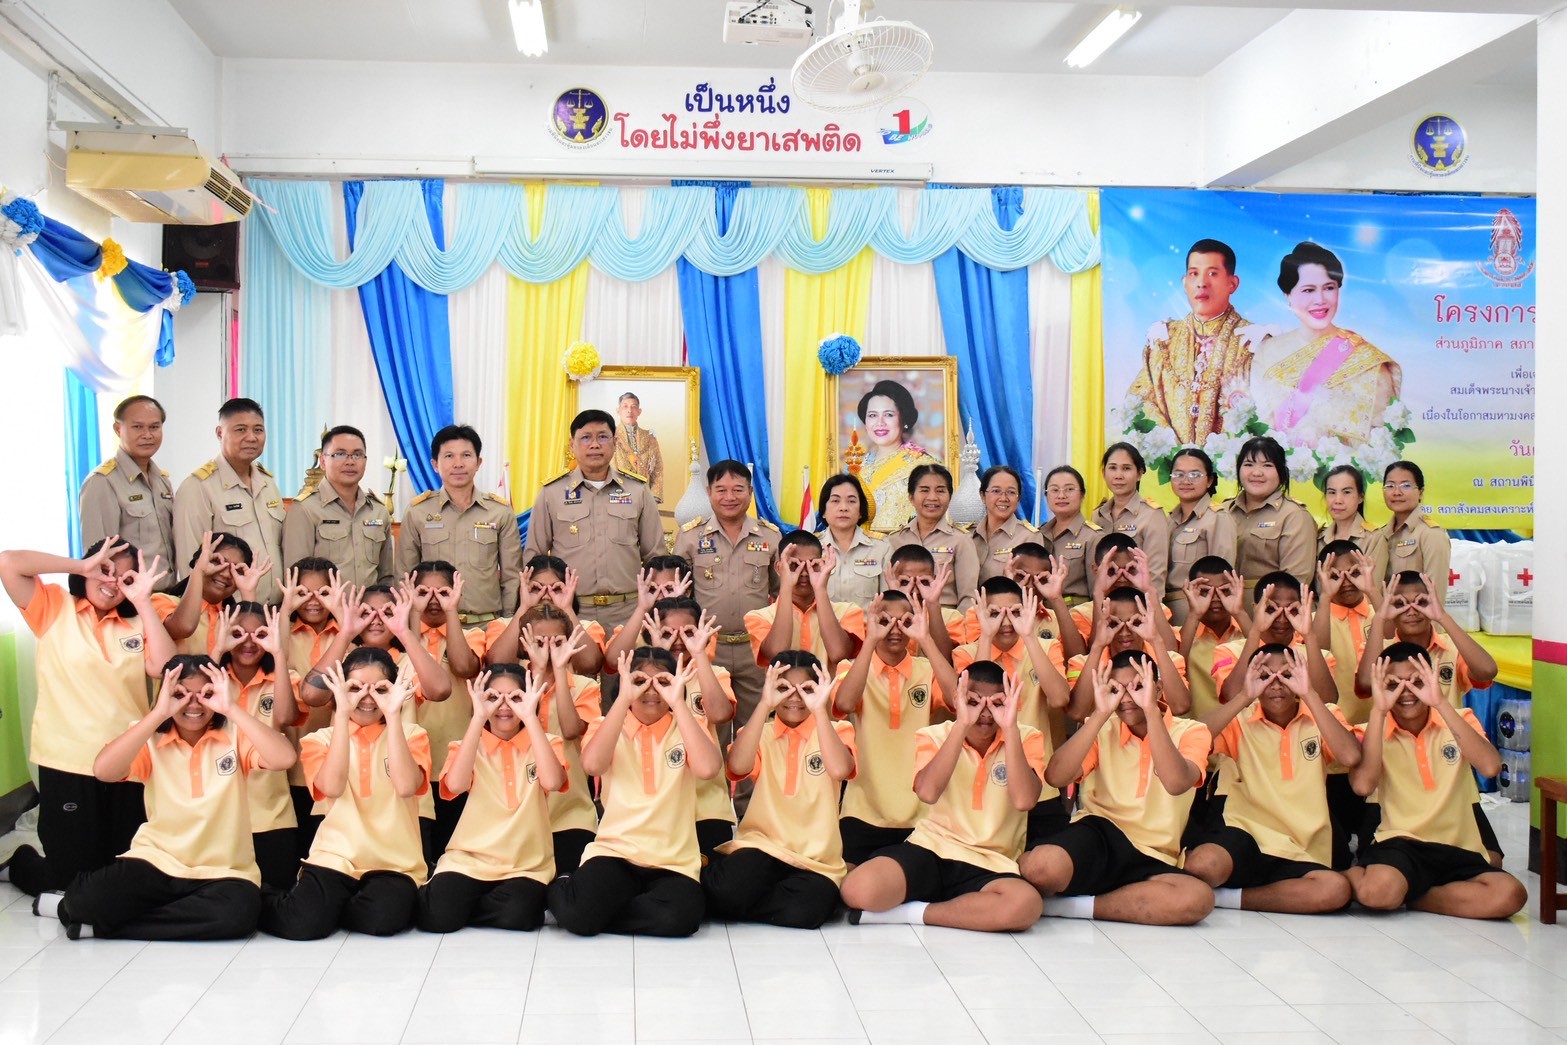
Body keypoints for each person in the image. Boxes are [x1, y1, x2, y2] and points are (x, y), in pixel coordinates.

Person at [39, 657, 297, 940]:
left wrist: (231, 708)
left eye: (205, 694)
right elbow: (104, 771)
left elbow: (284, 758)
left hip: (223, 870)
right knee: (84, 900)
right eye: (181, 694)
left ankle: (106, 927)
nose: (194, 704)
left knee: (239, 915)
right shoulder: (148, 736)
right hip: (158, 860)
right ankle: (106, 917)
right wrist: (159, 713)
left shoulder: (236, 733)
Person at [1, 538, 175, 896]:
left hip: (126, 761)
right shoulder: (53, 606)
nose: (113, 582)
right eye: (106, 570)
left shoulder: (139, 620)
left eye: (126, 578)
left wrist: (142, 601)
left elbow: (164, 667)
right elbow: (8, 562)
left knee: (118, 868)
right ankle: (21, 862)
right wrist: (81, 566)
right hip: (67, 761)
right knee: (69, 880)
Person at [840, 663, 1046, 932]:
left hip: (993, 860)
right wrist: (962, 724)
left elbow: (1024, 800)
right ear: (958, 699)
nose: (984, 712)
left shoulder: (1026, 737)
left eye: (997, 703)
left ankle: (916, 913)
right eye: (973, 702)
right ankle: (963, 909)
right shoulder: (934, 735)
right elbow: (928, 793)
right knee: (858, 889)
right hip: (933, 848)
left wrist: (1009, 729)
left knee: (1025, 906)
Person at [1020, 652, 1215, 925]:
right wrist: (1100, 714)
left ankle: (1075, 907)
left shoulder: (1193, 731)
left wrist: (1151, 710)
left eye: (1138, 687)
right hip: (1099, 833)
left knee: (1197, 899)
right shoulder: (1103, 726)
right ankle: (1080, 893)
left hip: (1155, 852)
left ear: (1158, 689)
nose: (1126, 697)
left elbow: (1175, 783)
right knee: (1041, 868)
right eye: (1117, 689)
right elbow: (1056, 777)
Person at [546, 649, 718, 937]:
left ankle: (603, 912)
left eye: (662, 682)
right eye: (639, 681)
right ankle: (567, 887)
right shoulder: (606, 725)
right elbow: (592, 765)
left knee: (681, 918)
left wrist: (678, 702)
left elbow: (708, 769)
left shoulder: (689, 725)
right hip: (616, 852)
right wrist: (623, 699)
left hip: (672, 859)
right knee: (577, 916)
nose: (650, 690)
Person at [260, 649, 431, 939]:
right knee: (303, 925)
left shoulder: (413, 734)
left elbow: (406, 787)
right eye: (355, 688)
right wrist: (340, 712)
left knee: (383, 920)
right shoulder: (319, 740)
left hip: (394, 863)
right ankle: (268, 898)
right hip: (336, 857)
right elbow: (332, 788)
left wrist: (392, 716)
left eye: (379, 689)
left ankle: (331, 907)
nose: (367, 698)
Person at [1346, 647, 1526, 920]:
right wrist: (1379, 711)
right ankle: (1356, 875)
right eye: (1393, 684)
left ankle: (1418, 896)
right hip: (1400, 843)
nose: (1406, 692)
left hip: (1458, 846)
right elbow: (1362, 786)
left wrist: (1440, 702)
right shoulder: (1369, 729)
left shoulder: (1460, 719)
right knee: (1378, 894)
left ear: (1432, 679)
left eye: (1417, 682)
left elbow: (1490, 768)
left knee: (1511, 895)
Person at [1184, 646, 1361, 914]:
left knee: (1335, 890)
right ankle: (1261, 891)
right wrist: (1244, 696)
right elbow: (1192, 738)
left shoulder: (1323, 714)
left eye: (1287, 675)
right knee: (1202, 865)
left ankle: (1229, 898)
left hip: (1303, 843)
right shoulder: (1240, 719)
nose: (1276, 684)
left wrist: (1309, 694)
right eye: (1265, 676)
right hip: (1246, 832)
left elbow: (1350, 756)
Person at [1355, 570, 1501, 864]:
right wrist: (1381, 617)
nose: (1411, 610)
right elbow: (1366, 685)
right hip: (1394, 772)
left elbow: (1487, 671)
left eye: (1421, 601)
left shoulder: (1450, 647)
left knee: (1492, 860)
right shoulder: (1383, 653)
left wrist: (1442, 616)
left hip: (1448, 772)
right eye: (1400, 603)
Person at [703, 653, 856, 929]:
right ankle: (751, 895)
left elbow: (839, 770)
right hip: (762, 847)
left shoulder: (837, 730)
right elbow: (737, 766)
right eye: (784, 688)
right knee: (724, 891)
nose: (795, 697)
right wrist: (764, 703)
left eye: (807, 689)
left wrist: (820, 710)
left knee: (806, 913)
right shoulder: (759, 732)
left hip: (816, 861)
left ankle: (748, 900)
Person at [417, 665, 567, 933]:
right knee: (437, 917)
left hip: (525, 865)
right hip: (468, 860)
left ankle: (467, 908)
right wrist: (478, 717)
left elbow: (553, 782)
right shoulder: (465, 745)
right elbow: (455, 785)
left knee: (518, 915)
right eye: (493, 697)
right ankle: (462, 905)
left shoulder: (547, 742)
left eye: (516, 697)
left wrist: (530, 717)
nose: (504, 705)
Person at [832, 589, 960, 865]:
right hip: (862, 811)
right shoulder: (850, 668)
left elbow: (959, 701)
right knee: (850, 882)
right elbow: (844, 703)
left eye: (905, 622)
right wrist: (869, 640)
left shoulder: (927, 669)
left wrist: (925, 639)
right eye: (885, 621)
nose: (895, 629)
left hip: (921, 813)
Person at [1251, 241, 1402, 449]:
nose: (1320, 300)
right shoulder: (1268, 352)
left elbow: (1380, 442)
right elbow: (1259, 427)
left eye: (1329, 288)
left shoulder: (1367, 359)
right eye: (1308, 290)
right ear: (1288, 296)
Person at [525, 410, 664, 633]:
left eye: (602, 437)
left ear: (615, 442)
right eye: (586, 437)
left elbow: (656, 557)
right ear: (572, 445)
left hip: (628, 611)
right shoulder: (551, 493)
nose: (595, 445)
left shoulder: (638, 490)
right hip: (570, 611)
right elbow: (535, 558)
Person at [952, 579, 1071, 840]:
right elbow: (972, 708)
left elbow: (1060, 698)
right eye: (995, 613)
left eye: (1015, 612)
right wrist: (986, 636)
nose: (1006, 622)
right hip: (984, 788)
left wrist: (1029, 636)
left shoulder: (1046, 646)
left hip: (1037, 784)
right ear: (980, 614)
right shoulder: (966, 654)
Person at [674, 460, 782, 725]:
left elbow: (781, 593)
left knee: (756, 725)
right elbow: (678, 598)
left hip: (755, 649)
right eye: (721, 490)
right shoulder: (690, 537)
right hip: (708, 648)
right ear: (709, 492)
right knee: (710, 724)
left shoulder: (770, 537)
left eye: (738, 489)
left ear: (750, 492)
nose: (730, 497)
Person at [1125, 238, 1259, 445]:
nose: (1201, 283)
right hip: (1173, 461)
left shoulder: (1251, 341)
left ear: (1232, 284)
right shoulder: (1164, 339)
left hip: (1230, 461)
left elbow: (1266, 412)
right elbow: (1139, 401)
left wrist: (1220, 455)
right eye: (1194, 273)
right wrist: (1174, 450)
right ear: (1184, 282)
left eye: (1212, 274)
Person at [503, 605, 603, 873]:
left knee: (568, 878)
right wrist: (536, 672)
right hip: (518, 812)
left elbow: (571, 730)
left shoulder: (585, 686)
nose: (548, 649)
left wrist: (559, 670)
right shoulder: (509, 686)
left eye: (557, 642)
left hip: (570, 812)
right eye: (539, 642)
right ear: (524, 643)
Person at [213, 600, 302, 890]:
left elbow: (286, 717)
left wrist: (277, 652)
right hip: (218, 814)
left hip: (271, 814)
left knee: (275, 894)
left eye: (260, 634)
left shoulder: (284, 677)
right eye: (238, 634)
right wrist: (218, 648)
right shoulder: (211, 678)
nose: (249, 642)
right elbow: (199, 695)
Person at [397, 425, 522, 624]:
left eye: (466, 455)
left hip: (487, 626)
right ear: (435, 464)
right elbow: (405, 576)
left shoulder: (499, 512)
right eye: (449, 456)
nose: (458, 464)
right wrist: (411, 625)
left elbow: (511, 576)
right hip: (434, 626)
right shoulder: (417, 512)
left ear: (478, 462)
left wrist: (508, 622)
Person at [404, 562, 486, 859]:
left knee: (452, 847)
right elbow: (408, 663)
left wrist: (452, 613)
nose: (433, 599)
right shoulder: (401, 635)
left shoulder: (471, 634)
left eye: (443, 592)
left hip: (455, 757)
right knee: (419, 847)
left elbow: (464, 667)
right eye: (424, 592)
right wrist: (412, 613)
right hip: (412, 760)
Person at [173, 398, 286, 605]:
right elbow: (191, 565)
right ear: (220, 433)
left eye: (258, 430)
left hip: (272, 610)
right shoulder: (198, 487)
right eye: (241, 430)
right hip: (227, 612)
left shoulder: (268, 483)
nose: (251, 437)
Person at [1312, 542, 1380, 868]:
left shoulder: (1382, 612)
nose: (1346, 581)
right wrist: (1325, 598)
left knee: (1371, 850)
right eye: (1334, 575)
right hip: (1336, 757)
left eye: (1354, 572)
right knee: (1336, 855)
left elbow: (1394, 634)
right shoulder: (1315, 619)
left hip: (1381, 750)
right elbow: (1320, 652)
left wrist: (1374, 592)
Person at [79, 394, 175, 591]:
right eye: (137, 427)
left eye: (154, 427)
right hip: (129, 598)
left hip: (169, 596)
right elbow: (98, 558)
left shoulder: (162, 480)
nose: (147, 435)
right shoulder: (103, 482)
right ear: (118, 429)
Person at [283, 426, 394, 588]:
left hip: (369, 604)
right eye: (340, 454)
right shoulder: (305, 509)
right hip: (323, 604)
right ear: (323, 461)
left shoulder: (378, 511)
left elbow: (386, 576)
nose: (350, 461)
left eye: (357, 454)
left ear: (365, 461)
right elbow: (295, 579)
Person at [744, 530, 864, 674]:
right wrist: (786, 585)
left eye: (812, 565)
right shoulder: (759, 617)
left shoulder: (848, 611)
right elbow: (777, 653)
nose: (805, 572)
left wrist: (820, 589)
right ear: (778, 567)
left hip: (830, 689)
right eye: (795, 565)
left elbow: (838, 654)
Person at [1223, 436, 1316, 606]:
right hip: (1223, 612)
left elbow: (1295, 581)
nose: (1256, 472)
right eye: (1248, 464)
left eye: (1267, 465)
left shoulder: (1295, 515)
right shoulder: (1224, 512)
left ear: (1281, 472)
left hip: (1272, 611)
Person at [885, 463, 980, 611]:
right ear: (911, 497)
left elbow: (968, 598)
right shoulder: (894, 540)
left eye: (940, 491)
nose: (932, 497)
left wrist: (957, 624)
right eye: (924, 490)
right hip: (903, 619)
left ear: (950, 497)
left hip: (946, 619)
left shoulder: (961, 540)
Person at [853, 379, 940, 533]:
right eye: (872, 415)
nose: (880, 423)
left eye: (888, 415)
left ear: (903, 419)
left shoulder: (925, 466)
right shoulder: (855, 467)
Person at [154, 531, 263, 655]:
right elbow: (185, 627)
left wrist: (248, 592)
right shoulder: (162, 602)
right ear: (198, 562)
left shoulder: (233, 619)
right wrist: (199, 571)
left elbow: (253, 654)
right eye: (217, 562)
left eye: (236, 570)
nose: (226, 574)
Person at [1165, 447, 1237, 626]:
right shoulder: (1168, 520)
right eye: (1179, 474)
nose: (1186, 481)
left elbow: (1222, 578)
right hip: (1166, 610)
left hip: (1200, 611)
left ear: (1209, 480)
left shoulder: (1217, 518)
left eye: (1195, 475)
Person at [1093, 442, 1171, 598]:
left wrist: (1151, 606)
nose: (1118, 475)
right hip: (1105, 602)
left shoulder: (1152, 515)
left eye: (1126, 468)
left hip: (1137, 602)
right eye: (1112, 468)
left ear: (1139, 474)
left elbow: (1155, 572)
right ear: (1103, 473)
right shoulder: (1098, 515)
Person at [1176, 556, 1249, 719]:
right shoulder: (1184, 636)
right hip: (1198, 730)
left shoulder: (1247, 633)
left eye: (1224, 590)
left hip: (1245, 730)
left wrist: (1239, 612)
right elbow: (1174, 670)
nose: (1215, 598)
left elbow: (1268, 654)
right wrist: (1194, 614)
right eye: (1205, 591)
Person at [1380, 461, 1451, 603]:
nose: (1397, 492)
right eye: (1390, 486)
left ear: (1420, 492)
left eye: (1406, 485)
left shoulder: (1431, 534)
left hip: (1415, 615)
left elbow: (1435, 597)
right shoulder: (1381, 534)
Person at [817, 473, 888, 606]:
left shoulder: (881, 547)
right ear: (824, 511)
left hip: (867, 620)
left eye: (851, 501)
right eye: (835, 501)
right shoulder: (813, 547)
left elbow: (890, 601)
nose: (843, 508)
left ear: (861, 511)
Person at [1040, 465, 1102, 606]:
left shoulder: (1093, 537)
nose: (1061, 496)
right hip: (1040, 614)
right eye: (1054, 490)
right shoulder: (1039, 534)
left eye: (1069, 489)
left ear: (1082, 495)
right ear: (1046, 496)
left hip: (1075, 613)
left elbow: (1098, 594)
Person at [972, 465, 1038, 584]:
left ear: (1018, 498)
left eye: (1011, 492)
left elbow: (1031, 586)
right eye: (996, 491)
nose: (1003, 498)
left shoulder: (1029, 537)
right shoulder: (968, 535)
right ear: (983, 496)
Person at [1319, 464, 1388, 578]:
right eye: (1332, 492)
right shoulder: (1319, 538)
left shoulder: (1374, 539)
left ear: (1360, 497)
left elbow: (1373, 585)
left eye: (1346, 492)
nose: (1338, 500)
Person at [613, 391, 665, 502]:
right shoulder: (610, 436)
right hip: (617, 496)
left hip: (644, 497)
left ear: (639, 411)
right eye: (625, 406)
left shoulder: (649, 437)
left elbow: (658, 468)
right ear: (618, 411)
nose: (629, 410)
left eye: (633, 407)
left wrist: (654, 497)